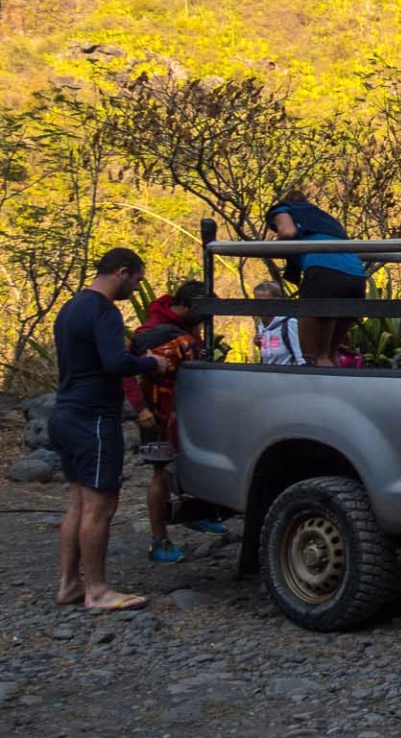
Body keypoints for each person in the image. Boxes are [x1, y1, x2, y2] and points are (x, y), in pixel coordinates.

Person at [50, 248, 169, 612]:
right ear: (121, 272)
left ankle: (70, 585)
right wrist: (152, 361)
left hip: (65, 413)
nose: (136, 289)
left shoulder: (70, 308)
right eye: (136, 281)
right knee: (100, 506)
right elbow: (115, 362)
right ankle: (98, 592)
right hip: (94, 419)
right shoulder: (104, 311)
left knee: (78, 503)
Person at [122, 281, 227, 563]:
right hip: (158, 411)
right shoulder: (150, 332)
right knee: (161, 472)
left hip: (188, 408)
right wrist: (140, 408)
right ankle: (159, 539)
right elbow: (126, 370)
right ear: (189, 306)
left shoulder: (189, 328)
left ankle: (197, 512)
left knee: (194, 460)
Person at [265, 190, 366, 367]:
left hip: (324, 273)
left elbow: (287, 232)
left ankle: (317, 393)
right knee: (331, 352)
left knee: (313, 355)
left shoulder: (282, 209)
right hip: (356, 276)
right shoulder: (325, 218)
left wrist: (275, 242)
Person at [252, 280, 304, 365]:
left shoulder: (289, 324)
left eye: (264, 302)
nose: (259, 306)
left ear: (277, 301)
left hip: (288, 375)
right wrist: (260, 345)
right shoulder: (261, 326)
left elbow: (300, 357)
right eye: (256, 302)